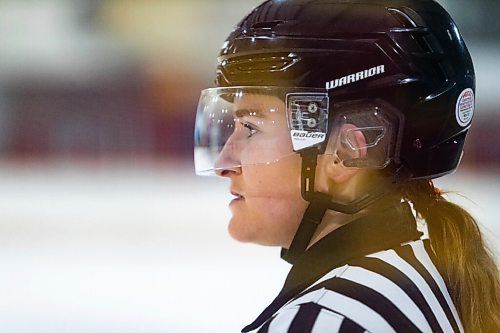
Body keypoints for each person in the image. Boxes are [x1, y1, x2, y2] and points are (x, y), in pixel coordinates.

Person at [193, 0, 500, 332]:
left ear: (346, 152)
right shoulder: (426, 275)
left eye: (251, 128)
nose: (225, 162)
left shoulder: (325, 320)